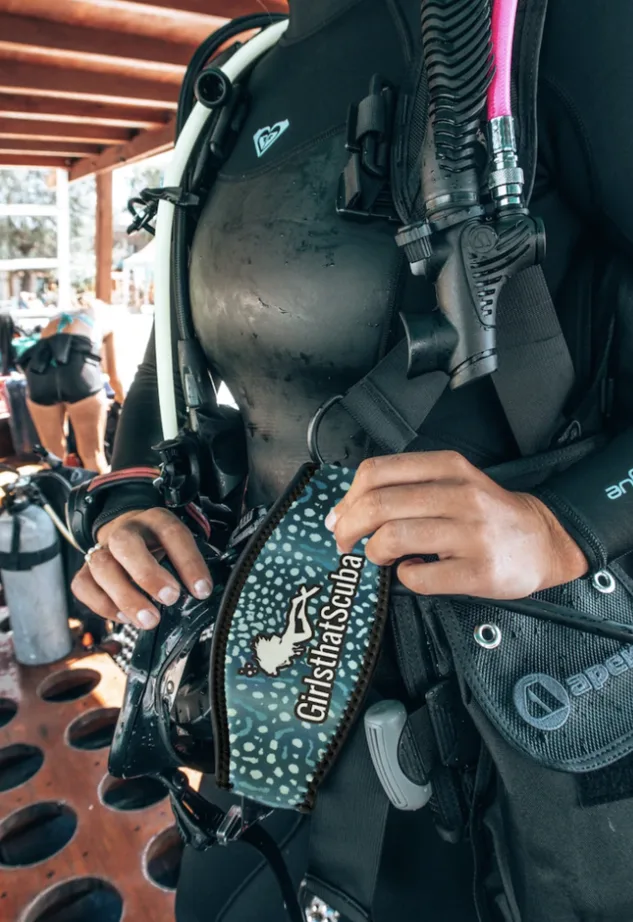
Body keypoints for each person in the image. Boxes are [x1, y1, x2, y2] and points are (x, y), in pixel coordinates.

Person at [70, 0, 633, 919]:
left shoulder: (553, 26)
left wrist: (566, 524)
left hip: (503, 731)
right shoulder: (233, 82)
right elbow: (168, 370)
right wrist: (126, 508)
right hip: (269, 694)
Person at [21, 295, 124, 473]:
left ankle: (56, 499)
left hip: (39, 375)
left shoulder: (55, 319)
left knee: (52, 456)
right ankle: (99, 500)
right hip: (78, 373)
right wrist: (123, 402)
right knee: (92, 455)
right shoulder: (104, 318)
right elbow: (114, 376)